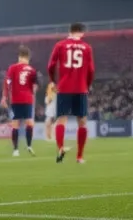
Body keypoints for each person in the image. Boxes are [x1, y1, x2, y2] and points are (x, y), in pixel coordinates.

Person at [47, 22, 95, 164]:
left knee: (61, 119)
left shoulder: (60, 45)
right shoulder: (87, 47)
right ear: (81, 32)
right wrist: (87, 84)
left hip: (64, 87)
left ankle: (60, 148)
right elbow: (91, 70)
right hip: (80, 88)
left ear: (70, 31)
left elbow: (51, 65)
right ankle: (79, 157)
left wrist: (52, 80)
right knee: (82, 122)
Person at [0, 46, 38, 157]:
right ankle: (29, 146)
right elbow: (34, 86)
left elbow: (7, 82)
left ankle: (16, 150)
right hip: (28, 99)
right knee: (30, 123)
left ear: (19, 57)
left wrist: (4, 97)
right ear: (28, 57)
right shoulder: (32, 70)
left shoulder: (12, 68)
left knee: (15, 124)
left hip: (16, 99)